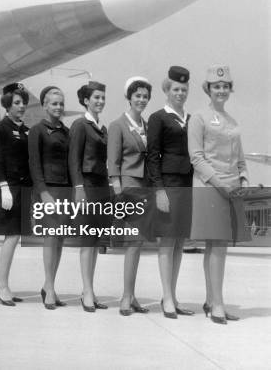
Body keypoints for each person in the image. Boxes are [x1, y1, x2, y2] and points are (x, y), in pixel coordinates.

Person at [188, 65, 249, 324]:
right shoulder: (199, 117)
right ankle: (217, 303)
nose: (221, 90)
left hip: (231, 187)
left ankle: (212, 300)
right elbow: (196, 157)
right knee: (216, 245)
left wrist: (244, 177)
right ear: (208, 89)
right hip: (210, 187)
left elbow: (239, 157)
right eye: (216, 86)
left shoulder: (232, 121)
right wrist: (219, 183)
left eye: (225, 86)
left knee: (218, 246)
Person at [147, 66, 194, 319]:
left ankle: (173, 296)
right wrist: (159, 190)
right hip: (168, 183)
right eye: (176, 89)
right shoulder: (159, 117)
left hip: (186, 184)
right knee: (167, 240)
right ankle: (166, 296)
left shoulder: (190, 118)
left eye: (184, 90)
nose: (180, 93)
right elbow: (152, 156)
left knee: (179, 242)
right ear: (167, 90)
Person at [107, 77, 154, 316]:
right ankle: (126, 296)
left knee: (138, 243)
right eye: (138, 95)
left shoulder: (146, 125)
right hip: (128, 187)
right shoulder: (118, 125)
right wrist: (118, 192)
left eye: (145, 96)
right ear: (129, 97)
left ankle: (131, 295)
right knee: (133, 243)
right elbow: (113, 162)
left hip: (144, 187)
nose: (142, 100)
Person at [68, 81, 112, 313]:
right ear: (86, 100)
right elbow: (73, 159)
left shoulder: (101, 128)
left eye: (102, 97)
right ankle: (86, 291)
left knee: (95, 242)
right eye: (96, 97)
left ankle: (90, 290)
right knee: (87, 241)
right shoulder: (80, 125)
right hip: (86, 185)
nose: (100, 101)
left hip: (101, 186)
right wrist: (78, 188)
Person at [28, 86, 71, 310]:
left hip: (65, 191)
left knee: (60, 239)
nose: (58, 107)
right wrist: (43, 193)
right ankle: (50, 287)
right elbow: (34, 165)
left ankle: (49, 285)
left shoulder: (66, 132)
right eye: (54, 103)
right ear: (45, 105)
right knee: (51, 238)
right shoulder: (37, 130)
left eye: (61, 103)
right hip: (48, 191)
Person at [0, 82, 32, 306]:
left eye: (23, 102)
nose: (22, 106)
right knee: (12, 236)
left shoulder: (25, 130)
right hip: (9, 189)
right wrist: (2, 187)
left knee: (15, 237)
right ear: (7, 105)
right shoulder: (1, 128)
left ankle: (3, 284)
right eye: (17, 103)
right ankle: (1, 285)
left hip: (23, 188)